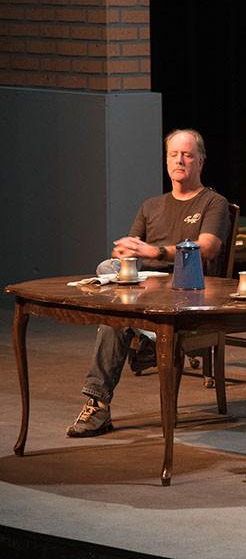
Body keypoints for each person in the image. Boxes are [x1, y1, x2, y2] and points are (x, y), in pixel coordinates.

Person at [66, 129, 231, 437]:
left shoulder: (213, 202)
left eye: (187, 155)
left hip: (186, 294)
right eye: (173, 155)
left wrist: (155, 252)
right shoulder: (151, 205)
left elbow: (207, 248)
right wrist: (124, 253)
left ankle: (113, 381)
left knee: (115, 317)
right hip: (144, 290)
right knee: (109, 274)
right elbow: (129, 250)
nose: (179, 160)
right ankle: (107, 390)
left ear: (201, 161)